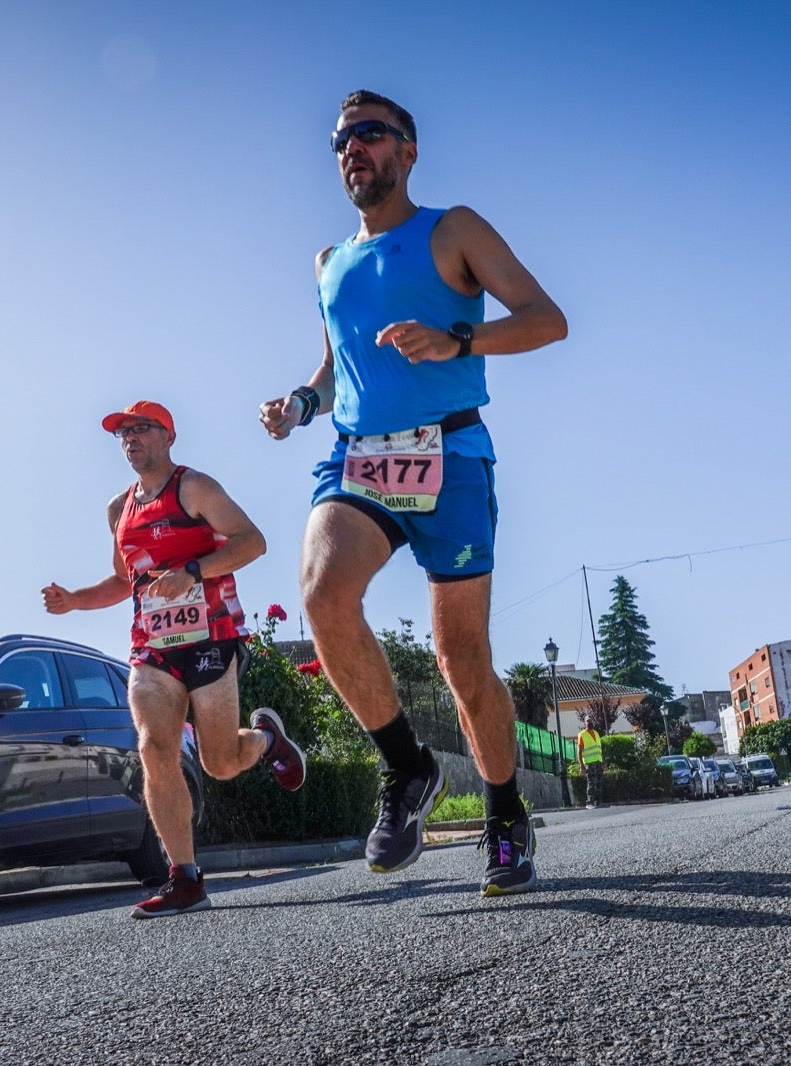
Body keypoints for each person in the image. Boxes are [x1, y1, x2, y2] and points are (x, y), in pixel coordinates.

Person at [259, 90, 567, 897]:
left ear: (408, 148)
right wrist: (300, 403)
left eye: (369, 133)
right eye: (339, 140)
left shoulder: (453, 229)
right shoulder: (329, 262)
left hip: (451, 450)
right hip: (359, 458)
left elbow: (546, 319)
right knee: (323, 595)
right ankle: (409, 768)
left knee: (461, 659)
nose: (351, 148)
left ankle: (505, 817)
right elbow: (338, 368)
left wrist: (457, 337)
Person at [43, 400, 306, 918]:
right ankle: (184, 877)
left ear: (168, 437)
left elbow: (253, 542)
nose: (131, 438)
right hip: (151, 647)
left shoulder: (195, 488)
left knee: (220, 762)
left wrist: (193, 569)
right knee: (154, 745)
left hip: (212, 636)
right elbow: (124, 580)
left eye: (142, 429)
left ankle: (267, 739)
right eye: (123, 432)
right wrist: (75, 599)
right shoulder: (119, 510)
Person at [575, 722, 604, 809]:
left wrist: (603, 763)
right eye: (588, 722)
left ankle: (598, 801)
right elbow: (579, 751)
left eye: (591, 721)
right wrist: (581, 765)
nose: (590, 723)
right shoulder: (582, 734)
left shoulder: (596, 733)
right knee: (591, 782)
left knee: (599, 782)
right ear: (585, 723)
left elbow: (599, 749)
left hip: (598, 761)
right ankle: (590, 802)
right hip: (589, 763)